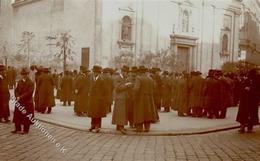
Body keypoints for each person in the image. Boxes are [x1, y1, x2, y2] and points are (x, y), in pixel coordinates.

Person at [133, 66, 157, 132]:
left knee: (140, 113)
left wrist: (134, 97)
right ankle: (147, 128)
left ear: (139, 72)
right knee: (148, 113)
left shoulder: (139, 78)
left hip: (141, 98)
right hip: (149, 98)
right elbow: (154, 87)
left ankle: (139, 128)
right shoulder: (150, 79)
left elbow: (136, 89)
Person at [236, 69, 260, 133]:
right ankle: (245, 127)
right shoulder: (247, 80)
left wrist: (250, 89)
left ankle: (246, 127)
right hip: (248, 100)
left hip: (250, 100)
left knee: (248, 114)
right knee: (247, 114)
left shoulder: (256, 80)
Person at [11, 68, 34, 134]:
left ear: (28, 74)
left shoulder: (31, 83)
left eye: (25, 74)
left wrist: (20, 97)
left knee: (26, 116)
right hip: (20, 101)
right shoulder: (20, 82)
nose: (24, 75)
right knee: (17, 115)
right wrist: (17, 96)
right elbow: (16, 90)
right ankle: (17, 128)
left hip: (27, 102)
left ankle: (26, 130)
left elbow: (29, 92)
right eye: (23, 74)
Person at [87, 65, 107, 133]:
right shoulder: (91, 78)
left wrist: (100, 98)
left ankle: (98, 126)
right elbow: (90, 87)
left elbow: (104, 91)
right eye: (94, 72)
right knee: (92, 113)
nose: (94, 73)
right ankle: (92, 125)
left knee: (98, 114)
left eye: (96, 72)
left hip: (99, 100)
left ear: (98, 72)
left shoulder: (101, 80)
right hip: (92, 99)